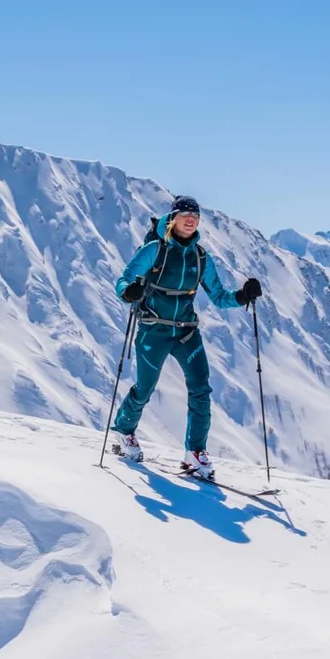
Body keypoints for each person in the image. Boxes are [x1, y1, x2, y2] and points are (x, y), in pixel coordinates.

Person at [109, 195, 261, 480]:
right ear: (173, 218)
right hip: (154, 329)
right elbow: (125, 279)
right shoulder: (155, 250)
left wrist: (243, 296)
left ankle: (195, 452)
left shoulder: (200, 257)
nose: (191, 219)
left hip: (186, 332)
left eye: (195, 215)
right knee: (145, 388)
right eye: (185, 214)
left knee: (201, 389)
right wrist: (128, 291)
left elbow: (219, 295)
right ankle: (123, 430)